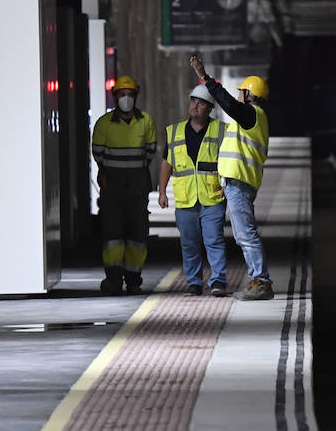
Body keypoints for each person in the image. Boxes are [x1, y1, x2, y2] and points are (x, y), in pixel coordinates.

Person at [188, 54, 273, 301]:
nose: (238, 95)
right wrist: (224, 178)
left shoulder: (252, 114)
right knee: (243, 234)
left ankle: (261, 280)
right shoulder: (253, 118)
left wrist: (204, 77)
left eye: (241, 92)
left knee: (246, 234)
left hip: (240, 183)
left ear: (250, 95)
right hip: (237, 182)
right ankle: (258, 278)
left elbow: (227, 102)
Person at [157, 83, 230, 297]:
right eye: (193, 101)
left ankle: (218, 282)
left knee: (214, 241)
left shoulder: (221, 131)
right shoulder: (175, 132)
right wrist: (162, 191)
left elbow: (229, 161)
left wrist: (228, 185)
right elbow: (166, 163)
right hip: (185, 198)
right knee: (189, 244)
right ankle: (194, 283)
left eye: (201, 103)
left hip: (212, 196)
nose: (195, 106)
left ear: (210, 108)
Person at [91, 75, 158, 294]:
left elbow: (150, 151)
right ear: (115, 96)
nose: (126, 98)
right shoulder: (103, 123)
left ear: (136, 96)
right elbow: (97, 153)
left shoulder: (146, 121)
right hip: (112, 188)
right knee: (112, 236)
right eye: (122, 94)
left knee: (137, 236)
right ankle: (113, 280)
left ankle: (133, 280)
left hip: (137, 188)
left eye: (129, 95)